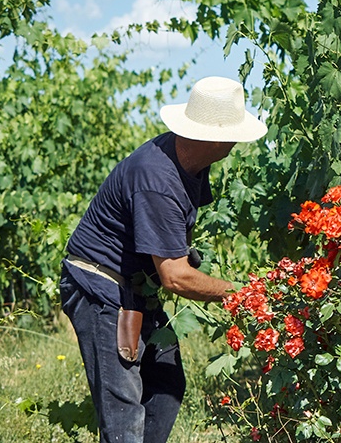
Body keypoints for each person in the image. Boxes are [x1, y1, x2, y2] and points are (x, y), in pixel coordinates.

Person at [59, 76, 267, 443]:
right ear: (216, 138)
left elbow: (178, 243)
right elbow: (175, 276)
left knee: (166, 388)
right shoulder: (157, 177)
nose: (237, 142)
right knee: (123, 410)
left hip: (137, 286)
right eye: (235, 134)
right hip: (102, 288)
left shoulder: (192, 164)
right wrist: (243, 293)